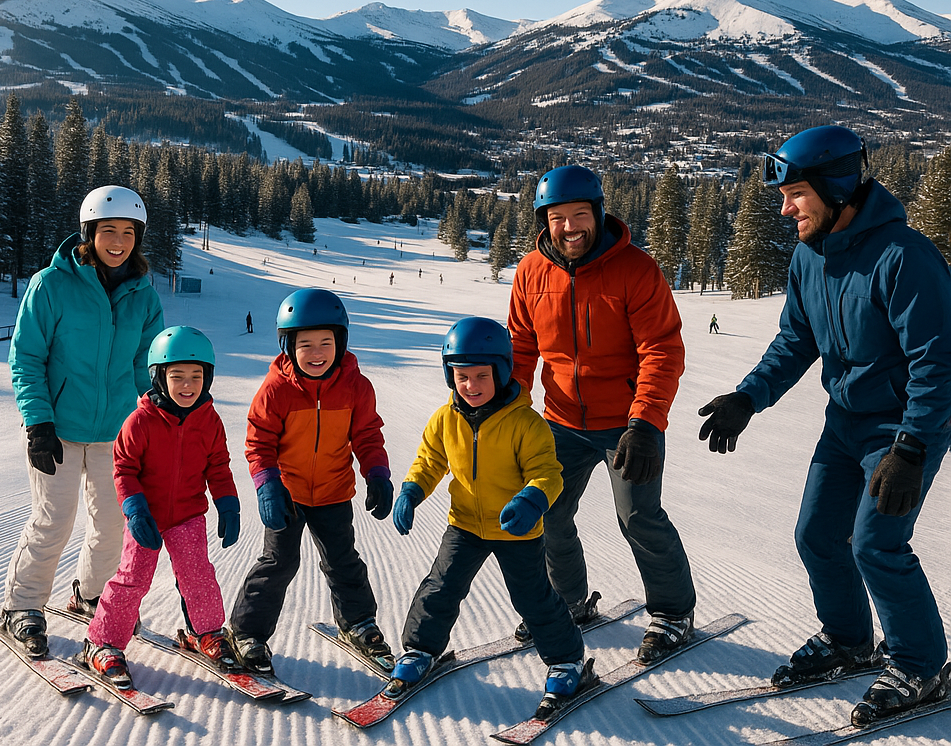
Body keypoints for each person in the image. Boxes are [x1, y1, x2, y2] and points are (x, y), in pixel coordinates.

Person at [697, 125, 951, 727]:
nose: (785, 209)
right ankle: (847, 639)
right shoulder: (809, 255)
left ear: (836, 187)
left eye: (795, 195)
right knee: (816, 534)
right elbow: (796, 339)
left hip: (902, 430)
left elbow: (939, 362)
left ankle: (921, 664)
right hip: (845, 422)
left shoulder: (903, 257)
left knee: (876, 544)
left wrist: (912, 445)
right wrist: (747, 397)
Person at [507, 165, 695, 663]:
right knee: (548, 512)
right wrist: (510, 406)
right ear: (544, 221)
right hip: (560, 419)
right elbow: (521, 346)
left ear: (599, 213)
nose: (570, 227)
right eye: (559, 217)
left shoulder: (636, 269)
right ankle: (568, 601)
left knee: (638, 516)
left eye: (580, 215)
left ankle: (674, 612)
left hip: (625, 423)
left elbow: (661, 348)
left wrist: (647, 422)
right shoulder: (531, 272)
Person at [388, 318, 587, 705]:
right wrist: (412, 491)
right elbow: (430, 461)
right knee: (441, 587)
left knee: (533, 598)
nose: (471, 385)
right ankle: (420, 649)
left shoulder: (526, 424)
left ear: (503, 371)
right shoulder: (445, 419)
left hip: (517, 530)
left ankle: (566, 660)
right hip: (464, 524)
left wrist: (530, 500)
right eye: (462, 376)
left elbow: (548, 473)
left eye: (482, 375)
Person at [3, 186, 164, 658]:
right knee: (54, 518)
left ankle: (91, 595)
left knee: (114, 522)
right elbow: (27, 357)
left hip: (116, 432)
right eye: (108, 230)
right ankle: (23, 605)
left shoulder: (143, 295)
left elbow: (147, 365)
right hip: (57, 428)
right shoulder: (51, 285)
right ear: (88, 233)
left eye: (128, 232)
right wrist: (37, 423)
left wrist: (153, 417)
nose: (118, 241)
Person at [228, 288, 394, 674]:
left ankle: (359, 623)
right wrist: (267, 483)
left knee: (343, 561)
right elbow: (259, 441)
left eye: (326, 342)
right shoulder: (276, 390)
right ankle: (246, 631)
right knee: (279, 562)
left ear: (341, 342)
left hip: (334, 492)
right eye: (305, 344)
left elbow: (367, 435)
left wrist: (378, 473)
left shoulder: (356, 386)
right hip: (288, 492)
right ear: (288, 346)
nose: (317, 353)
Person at [80, 327, 241, 688]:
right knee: (134, 578)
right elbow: (123, 467)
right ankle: (102, 642)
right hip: (146, 517)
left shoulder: (209, 421)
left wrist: (228, 504)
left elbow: (218, 466)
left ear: (208, 377)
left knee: (197, 574)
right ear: (159, 377)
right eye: (177, 376)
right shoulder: (140, 421)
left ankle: (206, 632)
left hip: (188, 515)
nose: (188, 385)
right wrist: (135, 508)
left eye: (196, 376)